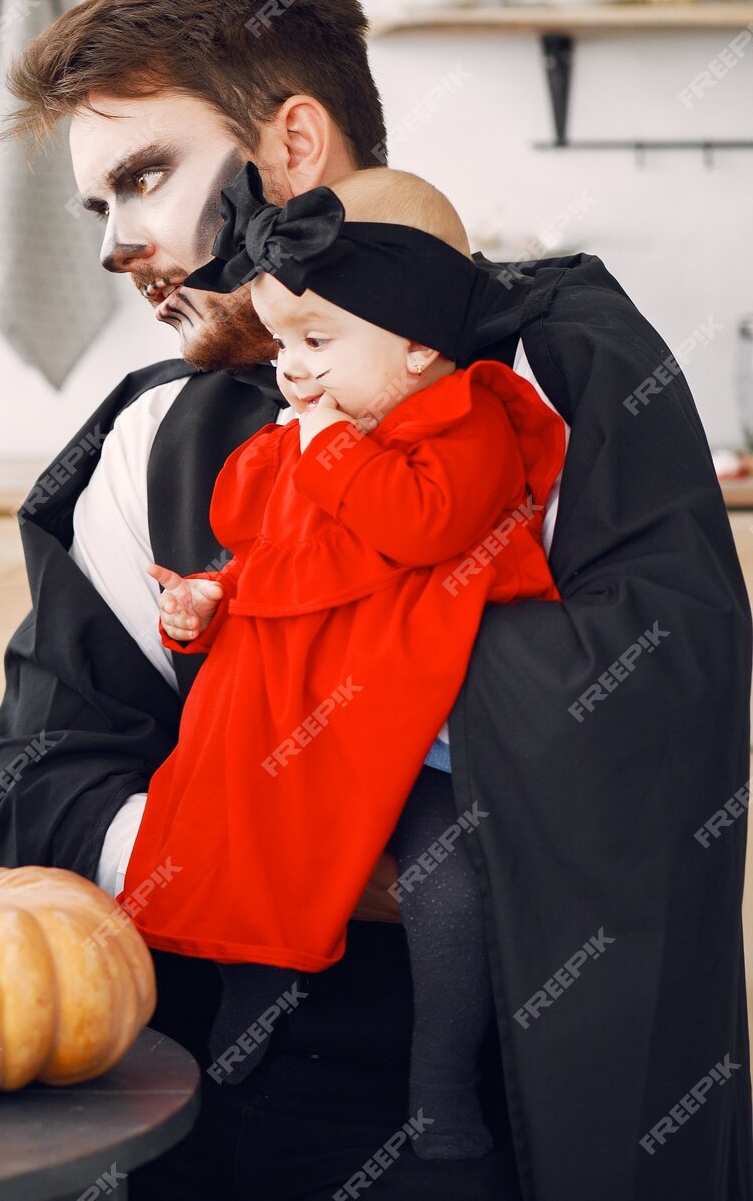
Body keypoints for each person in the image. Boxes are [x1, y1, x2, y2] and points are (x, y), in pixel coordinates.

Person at [0, 0, 750, 1199]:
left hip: (518, 1114)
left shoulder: (563, 376)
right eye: (99, 207)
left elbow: (659, 709)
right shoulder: (146, 443)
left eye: (143, 177)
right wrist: (264, 848)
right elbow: (43, 785)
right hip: (226, 1118)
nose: (118, 245)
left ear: (289, 149)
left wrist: (323, 785)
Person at [134, 164, 566, 1161]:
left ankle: (439, 1080)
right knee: (214, 812)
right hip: (295, 707)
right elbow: (272, 558)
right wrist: (206, 598)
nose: (289, 369)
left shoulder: (462, 426)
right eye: (282, 342)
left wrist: (324, 448)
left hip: (414, 723)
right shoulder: (312, 435)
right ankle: (252, 987)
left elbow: (418, 526)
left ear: (418, 344)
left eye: (316, 342)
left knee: (444, 873)